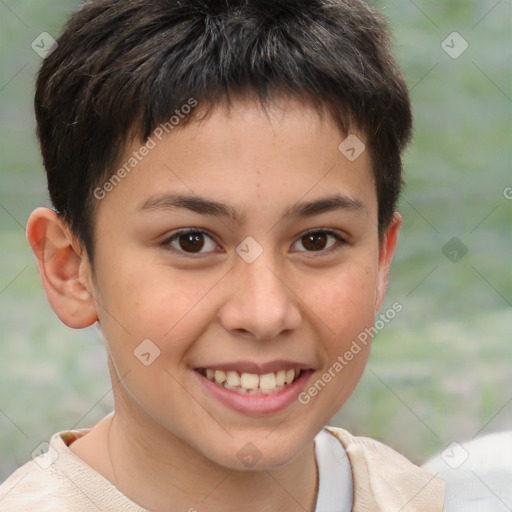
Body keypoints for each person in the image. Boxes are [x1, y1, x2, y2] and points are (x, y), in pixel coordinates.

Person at [0, 0, 445, 510]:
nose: (264, 314)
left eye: (317, 240)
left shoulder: (433, 500)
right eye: (191, 241)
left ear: (381, 261)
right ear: (70, 269)